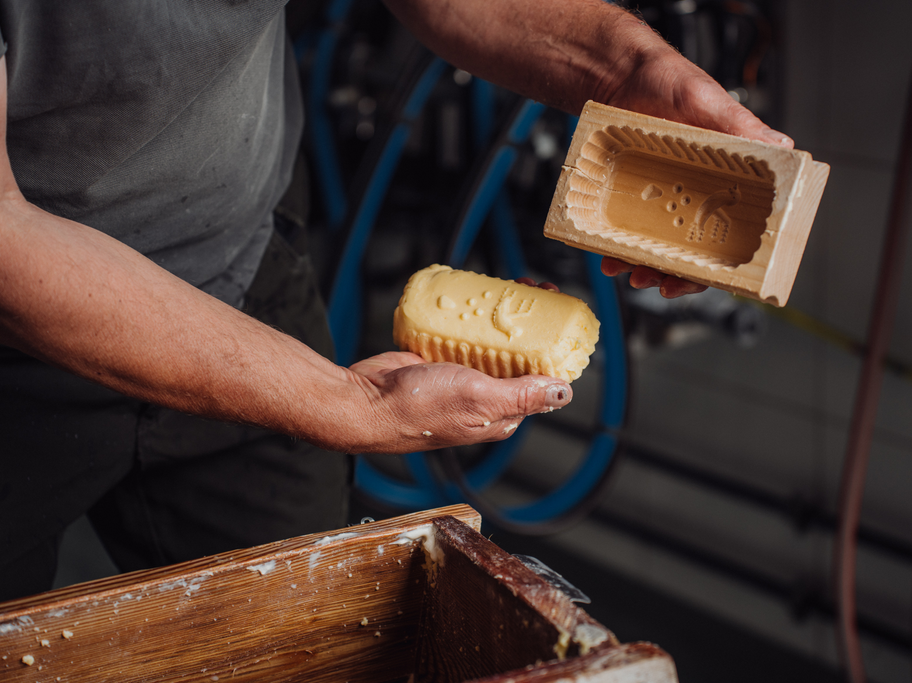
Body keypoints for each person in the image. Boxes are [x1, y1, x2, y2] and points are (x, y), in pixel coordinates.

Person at [0, 0, 793, 601]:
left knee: (323, 626)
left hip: (240, 265)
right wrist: (352, 401)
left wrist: (625, 68)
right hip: (20, 333)